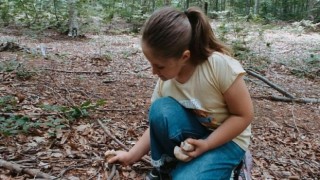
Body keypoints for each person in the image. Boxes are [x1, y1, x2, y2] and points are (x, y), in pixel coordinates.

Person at [108, 6, 254, 180]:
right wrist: (131, 156)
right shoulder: (166, 80)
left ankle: (232, 168)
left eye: (159, 66)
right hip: (198, 133)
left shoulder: (219, 67)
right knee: (160, 108)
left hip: (230, 140)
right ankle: (168, 166)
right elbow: (157, 123)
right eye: (151, 63)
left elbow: (244, 115)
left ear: (184, 57)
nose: (154, 71)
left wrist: (207, 144)